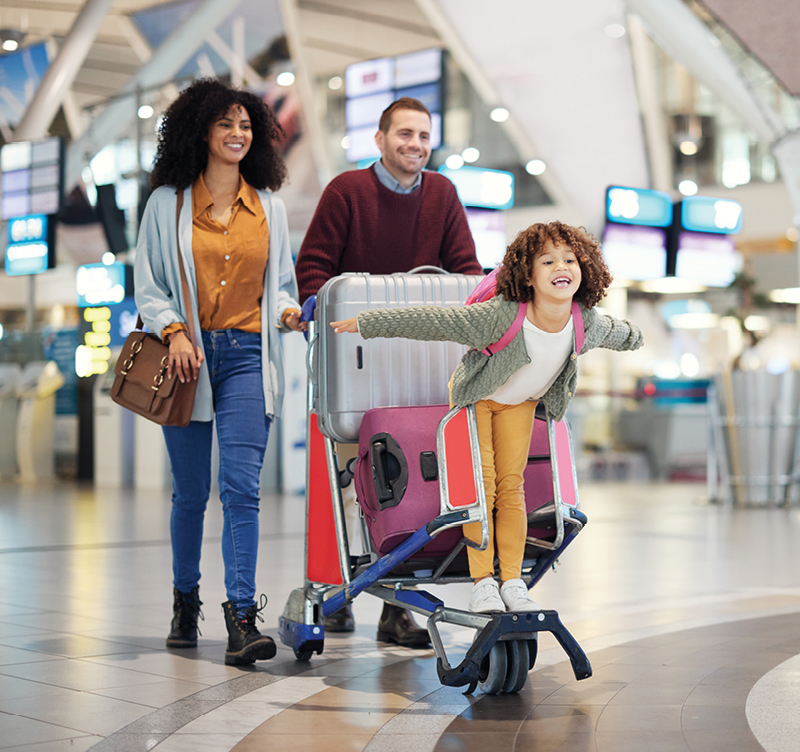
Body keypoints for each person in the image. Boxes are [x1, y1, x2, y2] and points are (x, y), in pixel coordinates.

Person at [331, 222, 643, 613]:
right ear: (527, 275)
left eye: (569, 259)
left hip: (520, 403)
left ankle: (511, 580)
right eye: (547, 261)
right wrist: (367, 323)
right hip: (477, 400)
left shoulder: (585, 322)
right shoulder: (501, 315)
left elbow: (619, 332)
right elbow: (434, 322)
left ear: (584, 269)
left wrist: (637, 337)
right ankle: (483, 584)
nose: (561, 266)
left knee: (512, 488)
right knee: (481, 487)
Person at [295, 97, 483, 646]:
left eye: (424, 136)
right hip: (353, 364)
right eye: (405, 134)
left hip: (418, 363)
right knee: (349, 486)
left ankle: (392, 605)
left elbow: (466, 271)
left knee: (405, 484)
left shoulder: (443, 195)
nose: (416, 145)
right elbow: (313, 270)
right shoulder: (346, 193)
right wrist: (313, 304)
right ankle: (334, 586)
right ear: (379, 139)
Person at [134, 78, 304, 666]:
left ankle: (241, 619)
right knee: (190, 494)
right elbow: (149, 285)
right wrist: (174, 331)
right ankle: (186, 601)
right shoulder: (167, 204)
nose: (237, 134)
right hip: (186, 359)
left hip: (249, 359)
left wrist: (288, 310)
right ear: (200, 131)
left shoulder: (271, 208)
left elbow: (281, 283)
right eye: (225, 123)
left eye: (246, 125)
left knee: (242, 490)